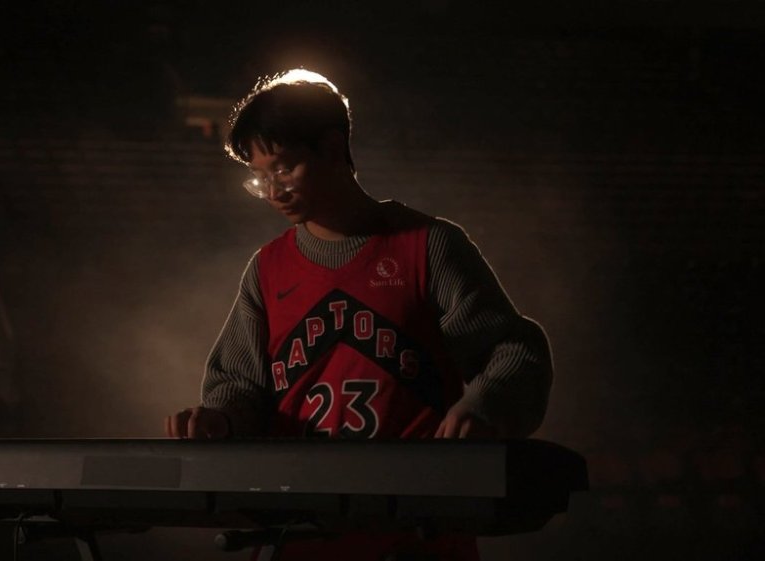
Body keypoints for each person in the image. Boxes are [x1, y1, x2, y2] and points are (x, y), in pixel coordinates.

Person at [165, 69, 553, 561]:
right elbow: (240, 384)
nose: (273, 191)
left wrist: (484, 406)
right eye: (260, 177)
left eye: (284, 168)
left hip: (418, 533)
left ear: (332, 148)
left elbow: (514, 350)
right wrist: (221, 419)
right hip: (300, 535)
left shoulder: (428, 246)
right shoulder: (267, 269)